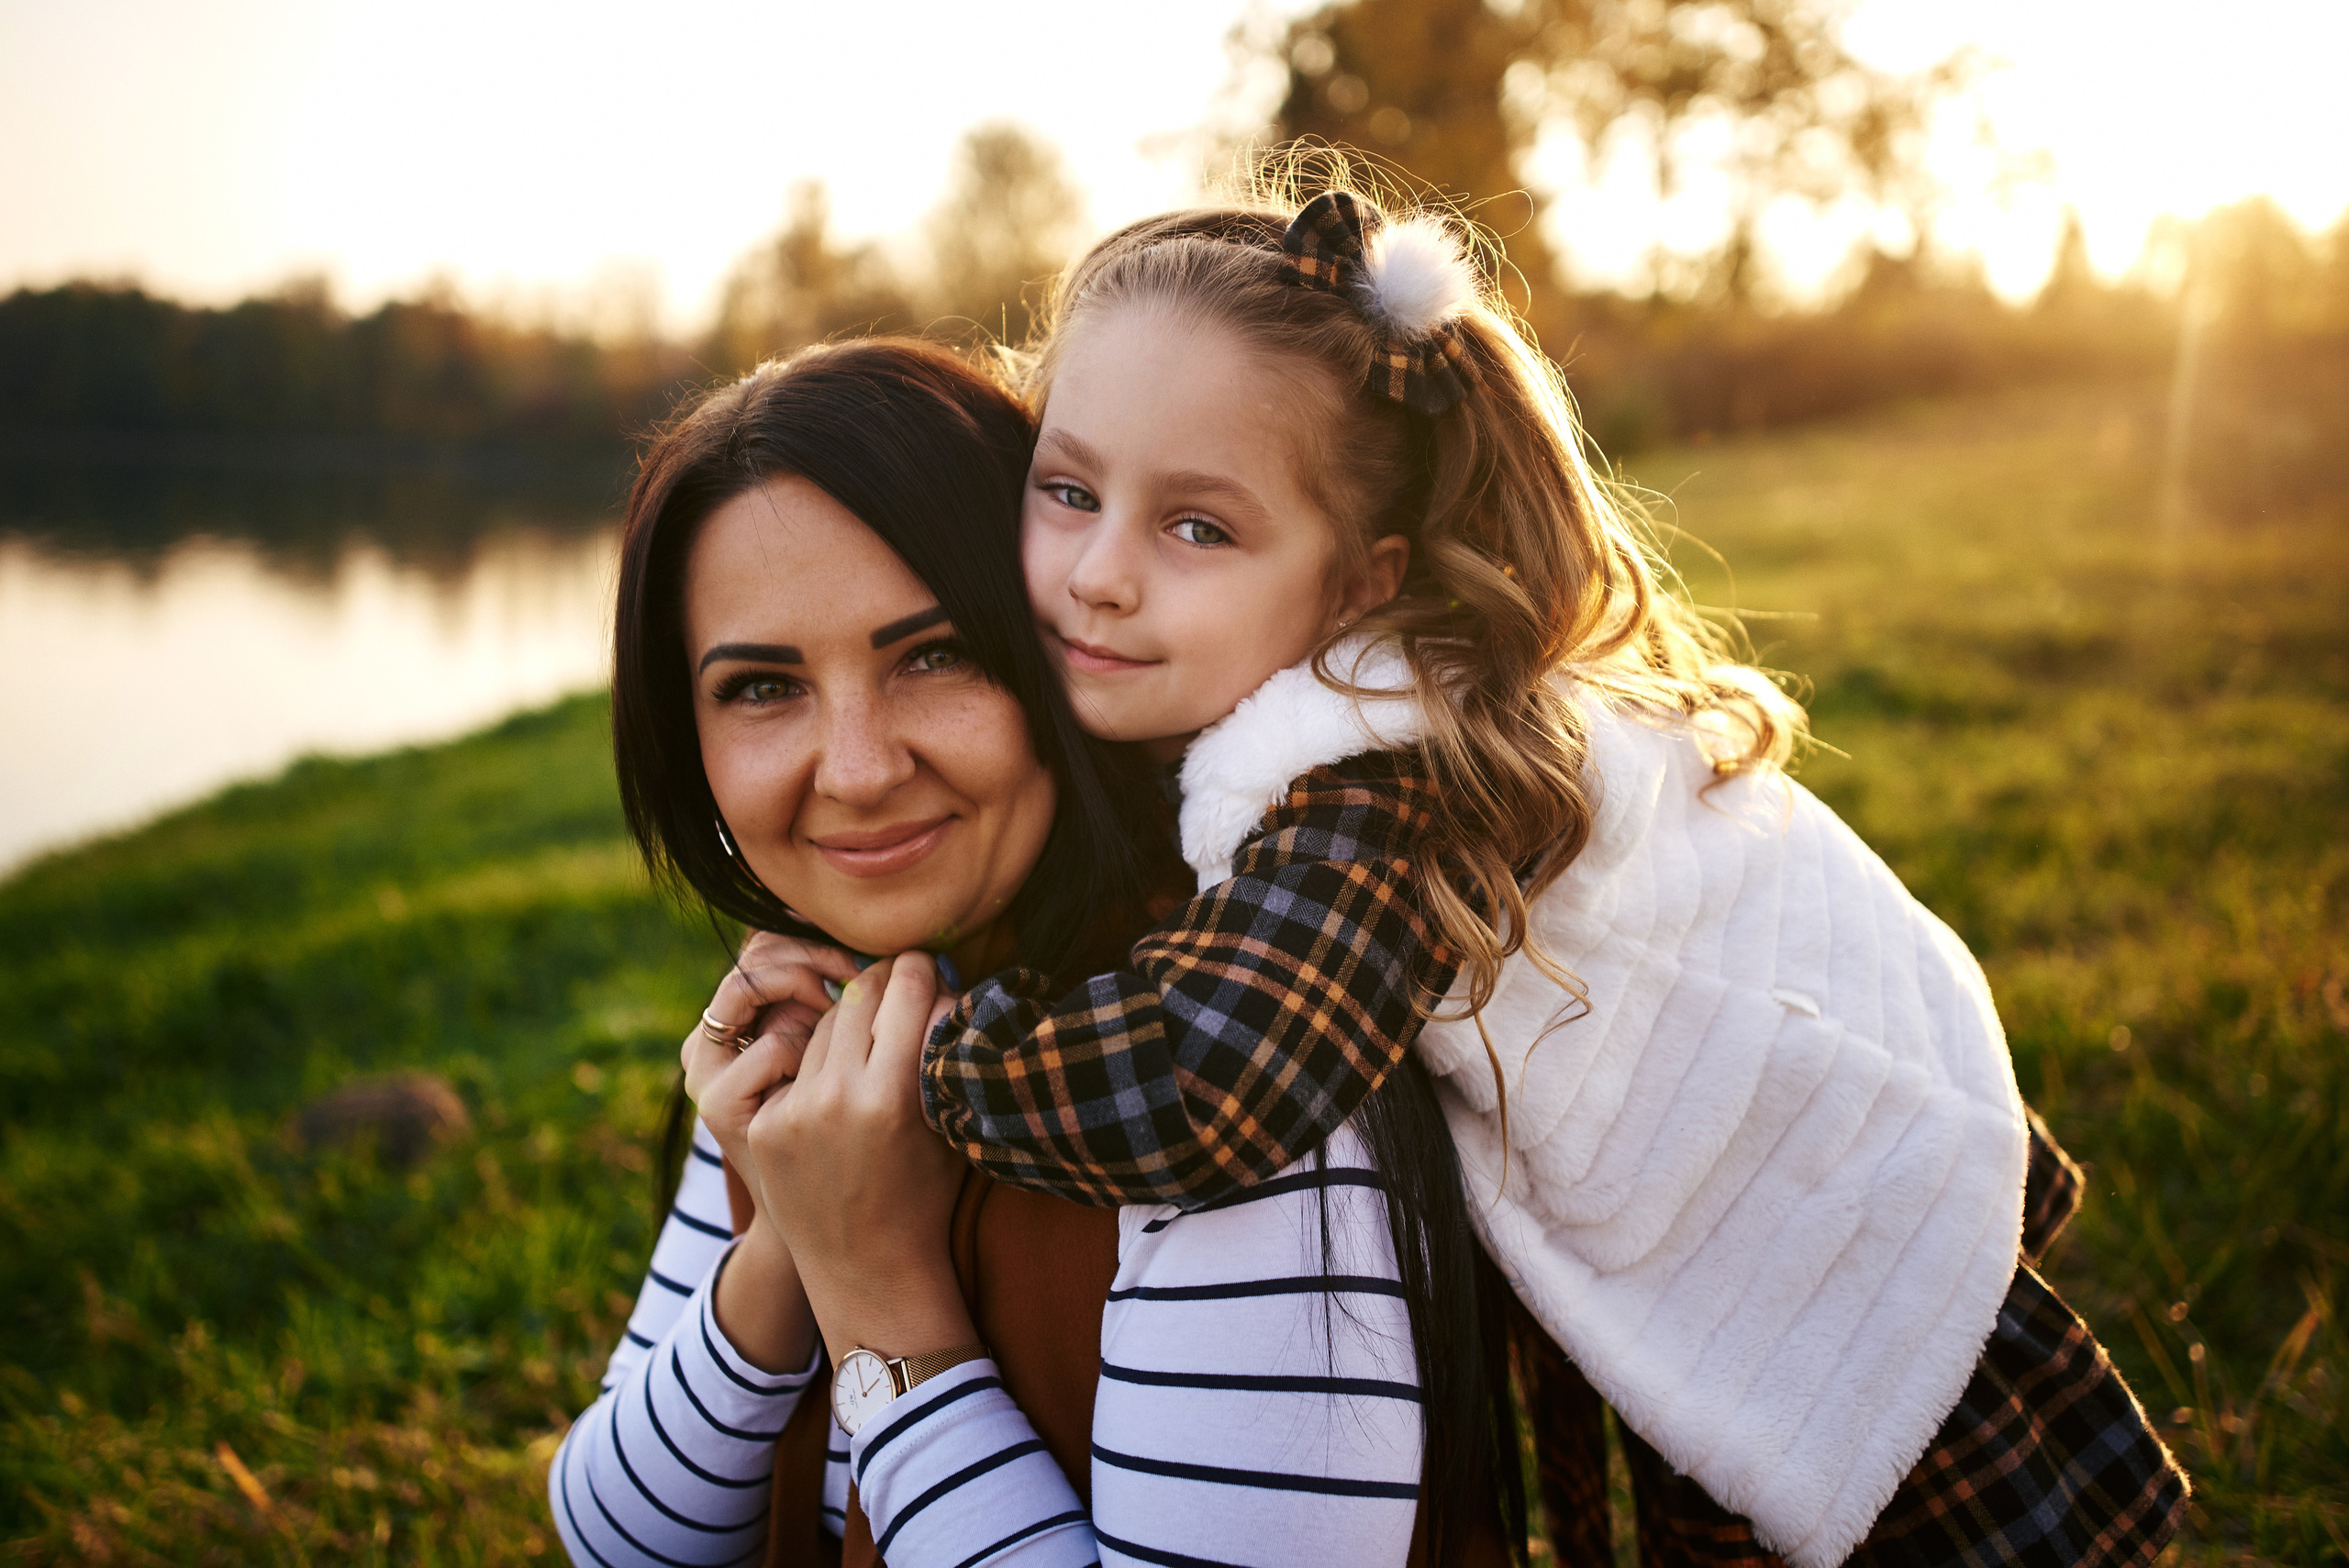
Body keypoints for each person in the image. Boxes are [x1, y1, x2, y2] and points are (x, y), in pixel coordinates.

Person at [826, 176, 2187, 1564]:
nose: (1099, 573)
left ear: (1364, 582)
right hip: (1819, 1193)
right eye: (1069, 491)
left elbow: (1209, 1076)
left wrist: (937, 1065)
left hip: (1831, 1273)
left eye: (1199, 528)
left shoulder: (1383, 775)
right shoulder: (1346, 694)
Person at [551, 338, 1519, 1568]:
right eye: (760, 687)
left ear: (1062, 647)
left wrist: (878, 1299)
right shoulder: (825, 1008)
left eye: (936, 654)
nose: (858, 769)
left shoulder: (1222, 1064)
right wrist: (795, 1228)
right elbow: (616, 1540)